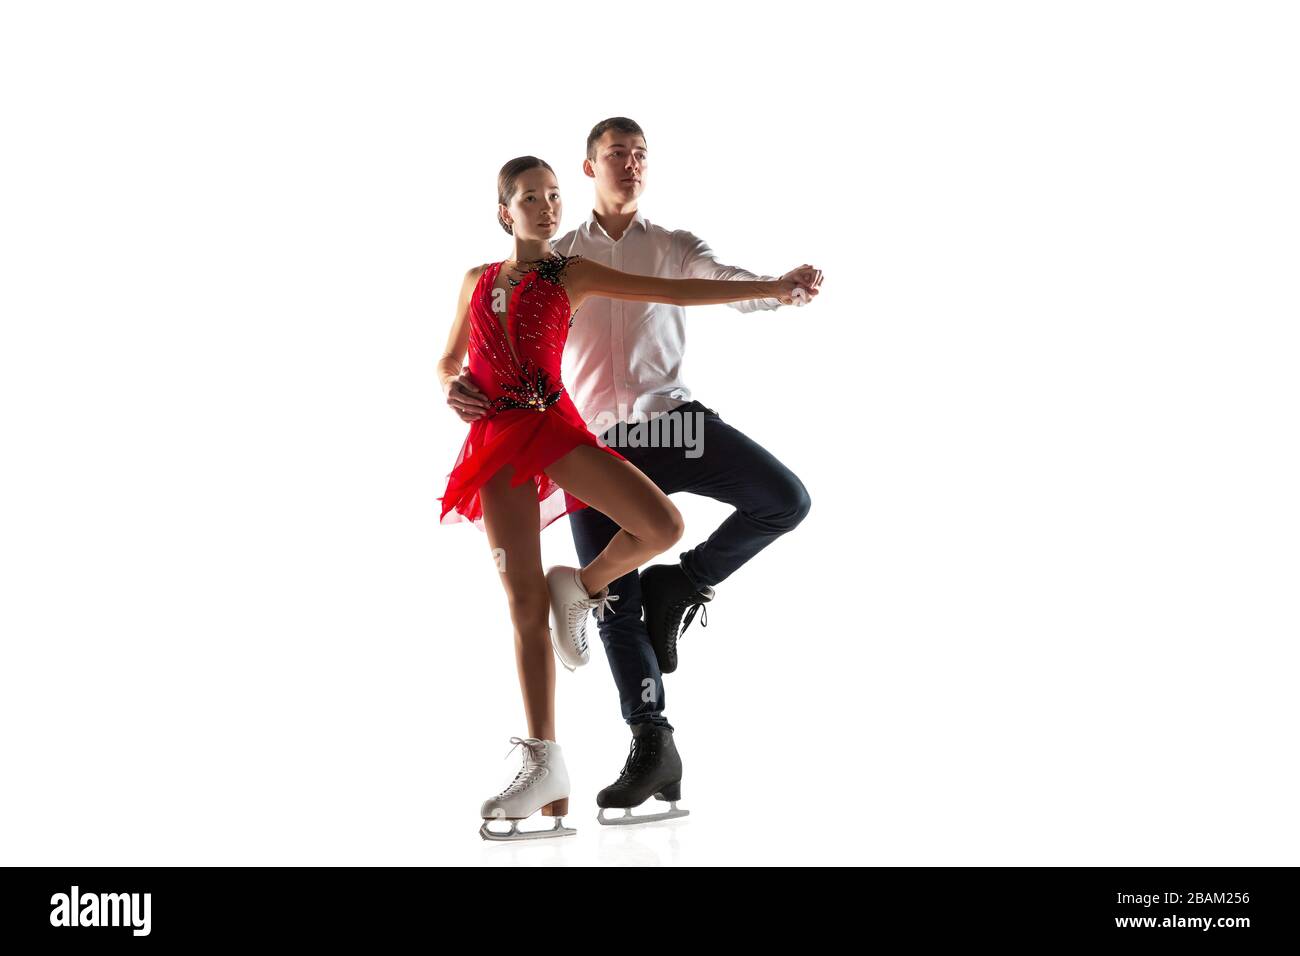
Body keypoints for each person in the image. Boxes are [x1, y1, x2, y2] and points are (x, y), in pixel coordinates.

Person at [436, 155, 810, 840]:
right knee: (520, 604)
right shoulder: (475, 278)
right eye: (529, 198)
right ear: (503, 210)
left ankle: (583, 585)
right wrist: (449, 383)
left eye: (553, 196)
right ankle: (544, 762)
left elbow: (672, 293)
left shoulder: (569, 273)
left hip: (553, 426)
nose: (546, 207)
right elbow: (448, 357)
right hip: (493, 441)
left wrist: (774, 287)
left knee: (662, 525)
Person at [549, 117, 823, 824]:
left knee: (784, 499)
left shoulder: (672, 246)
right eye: (617, 154)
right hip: (594, 447)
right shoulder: (558, 258)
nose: (631, 164)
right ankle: (652, 742)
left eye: (641, 154)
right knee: (612, 597)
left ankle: (688, 580)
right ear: (588, 168)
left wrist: (780, 286)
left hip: (673, 421)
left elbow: (725, 281)